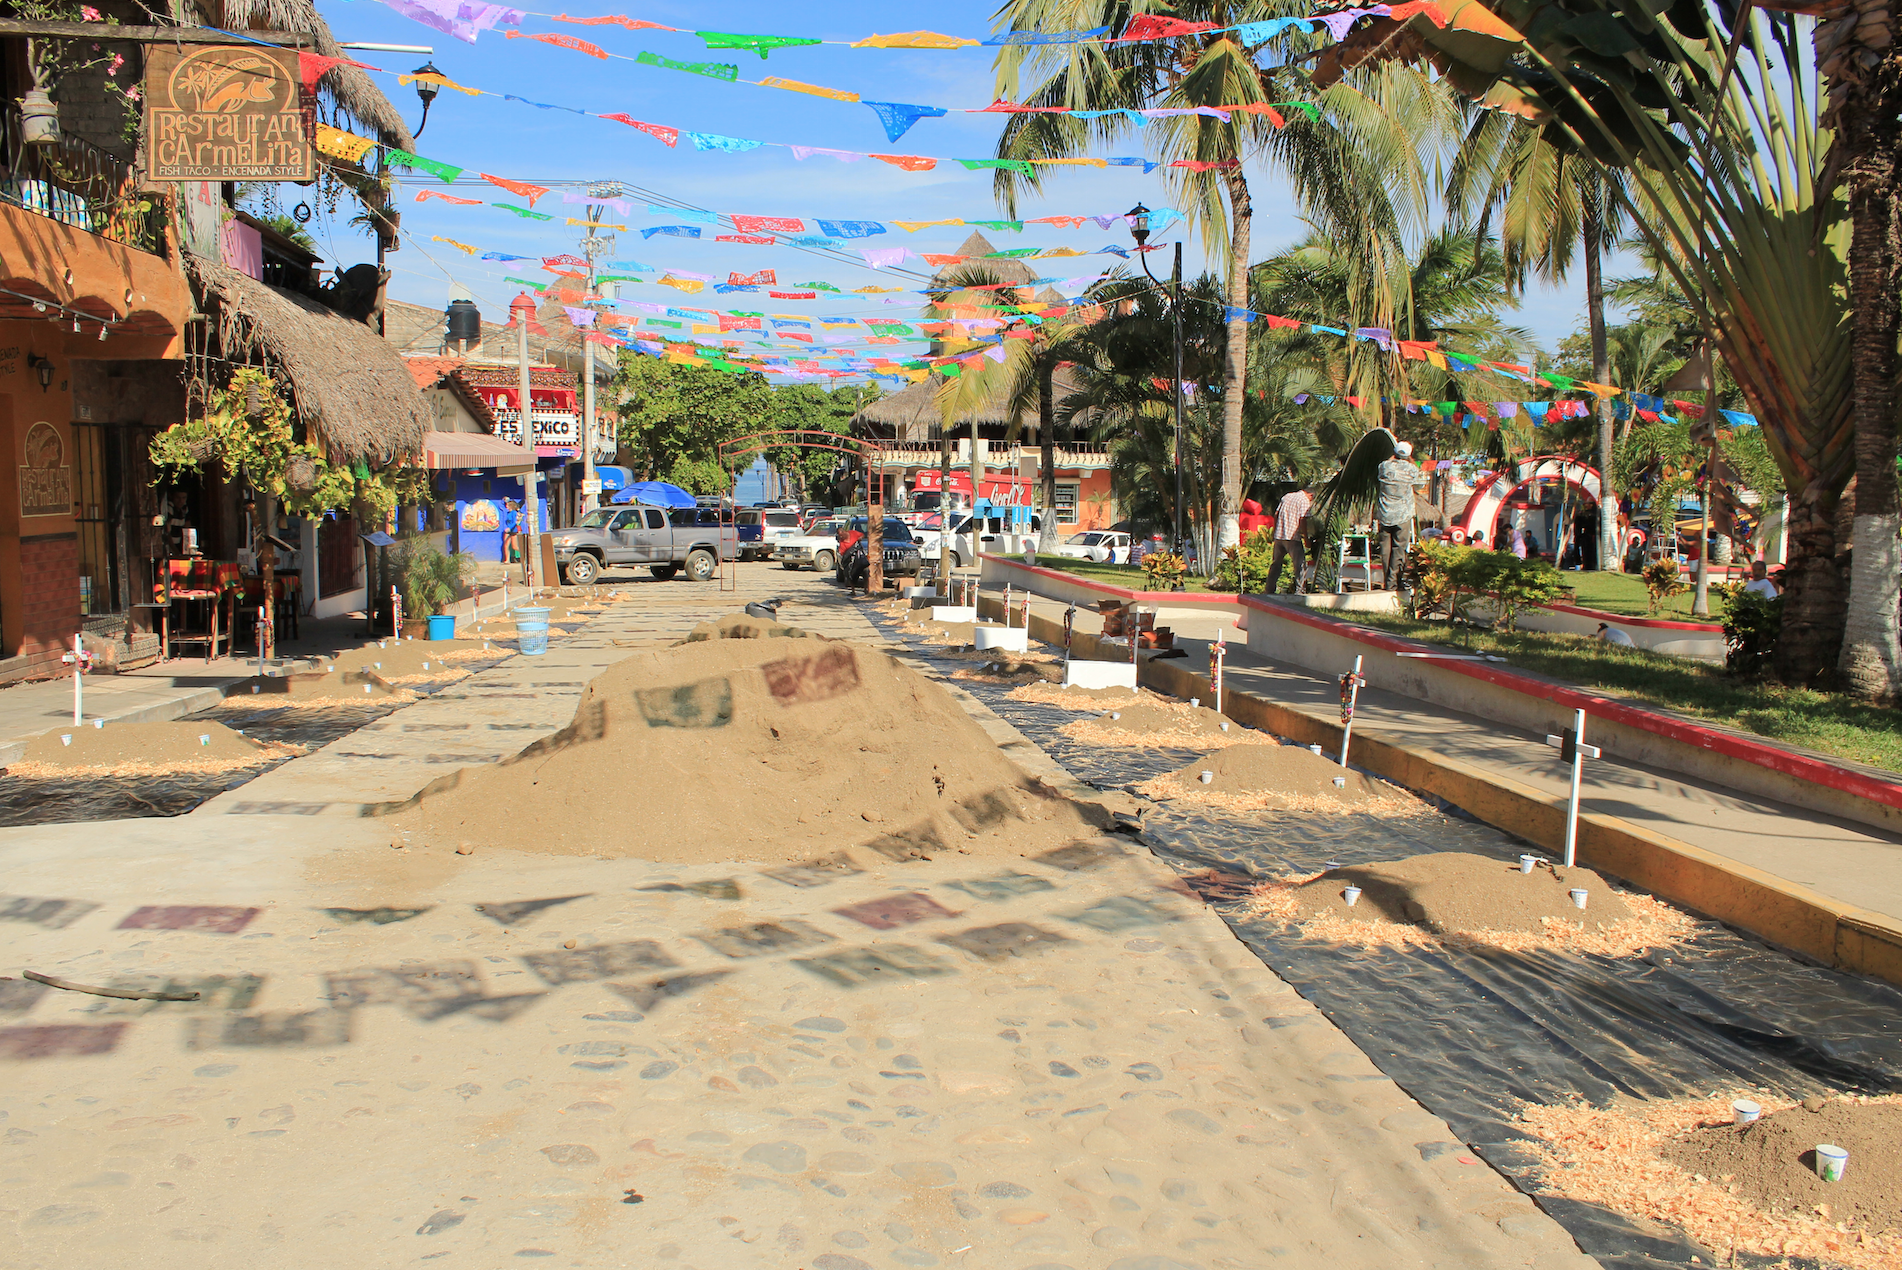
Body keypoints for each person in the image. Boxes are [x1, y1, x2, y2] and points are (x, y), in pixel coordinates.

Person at [1374, 441, 1426, 590]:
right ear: (1409, 455)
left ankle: (1387, 581)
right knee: (1399, 549)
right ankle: (1394, 581)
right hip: (1403, 515)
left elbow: (1388, 463)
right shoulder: (1411, 469)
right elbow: (1419, 484)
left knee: (1385, 549)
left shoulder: (1383, 466)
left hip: (1385, 514)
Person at [1266, 486, 1311, 595]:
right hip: (1293, 537)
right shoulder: (1304, 500)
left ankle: (1269, 590)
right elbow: (1303, 519)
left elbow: (1276, 514)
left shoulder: (1287, 496)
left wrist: (1275, 531)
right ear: (1310, 495)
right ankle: (1300, 592)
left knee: (1276, 564)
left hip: (1279, 536)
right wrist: (1306, 538)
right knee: (1300, 565)